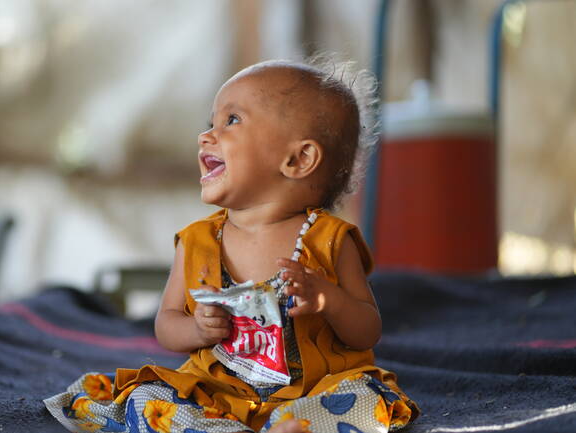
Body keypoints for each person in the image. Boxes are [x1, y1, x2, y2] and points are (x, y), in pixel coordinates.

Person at [45, 58, 420, 433]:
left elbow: (367, 330)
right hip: (217, 395)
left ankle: (292, 427)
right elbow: (166, 325)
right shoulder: (197, 242)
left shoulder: (330, 240)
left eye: (232, 120)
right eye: (211, 123)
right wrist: (197, 330)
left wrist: (328, 300)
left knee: (365, 397)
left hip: (312, 393)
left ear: (298, 159)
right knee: (147, 398)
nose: (205, 136)